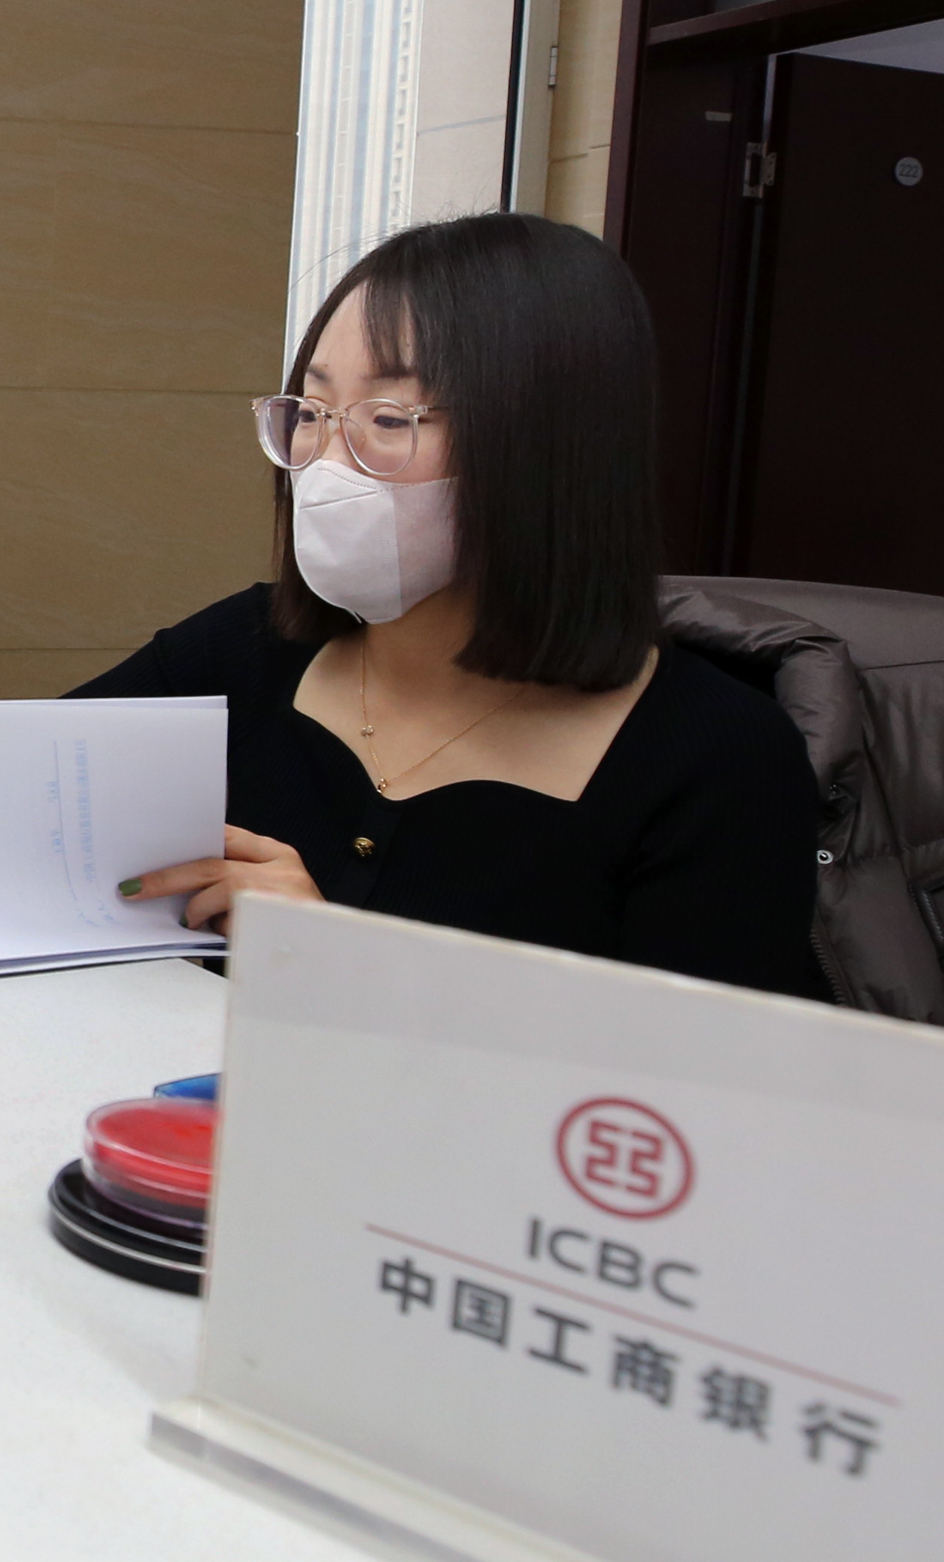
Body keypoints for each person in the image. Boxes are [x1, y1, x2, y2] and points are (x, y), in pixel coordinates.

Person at [81, 212, 824, 998]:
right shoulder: (247, 646)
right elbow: (22, 801)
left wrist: (342, 965)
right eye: (312, 411)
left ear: (547, 451)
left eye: (387, 419)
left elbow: (688, 1067)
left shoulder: (718, 760)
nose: (325, 463)